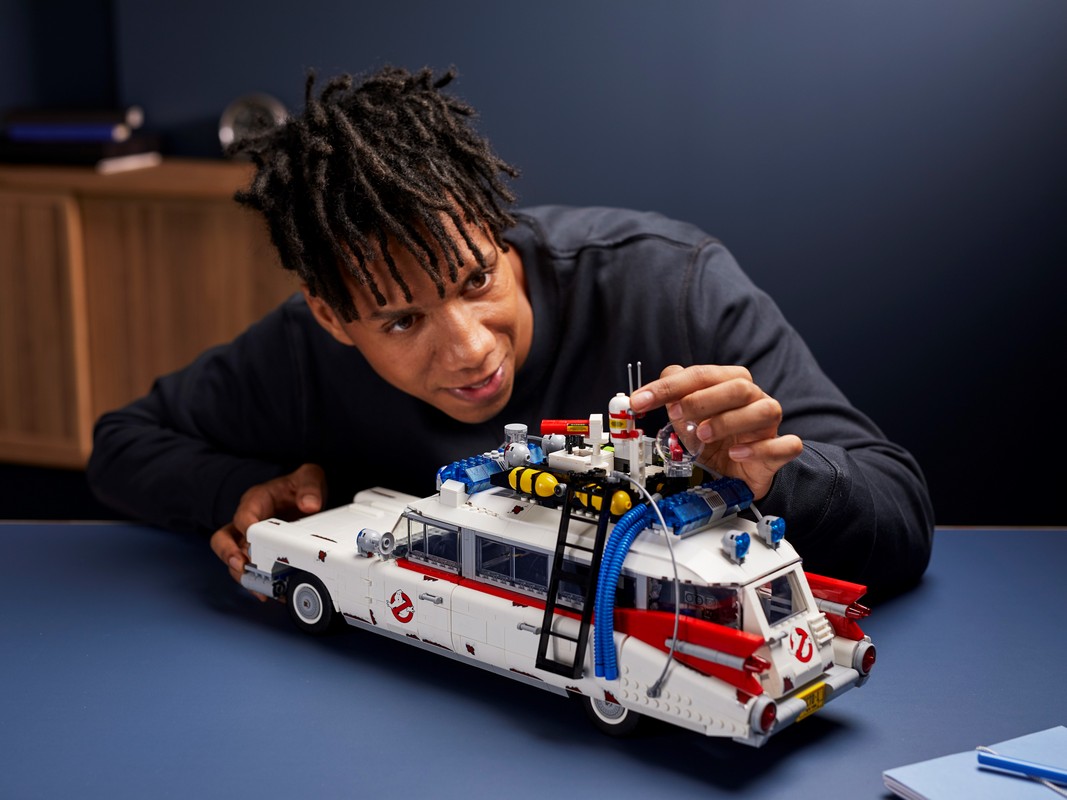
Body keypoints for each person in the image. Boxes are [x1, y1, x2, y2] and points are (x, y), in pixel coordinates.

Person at [87, 66, 934, 601]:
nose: (468, 349)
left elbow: (899, 516)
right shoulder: (297, 353)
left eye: (475, 280)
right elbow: (121, 444)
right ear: (331, 319)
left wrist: (775, 480)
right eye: (401, 320)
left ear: (498, 229)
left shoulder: (674, 286)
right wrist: (242, 487)